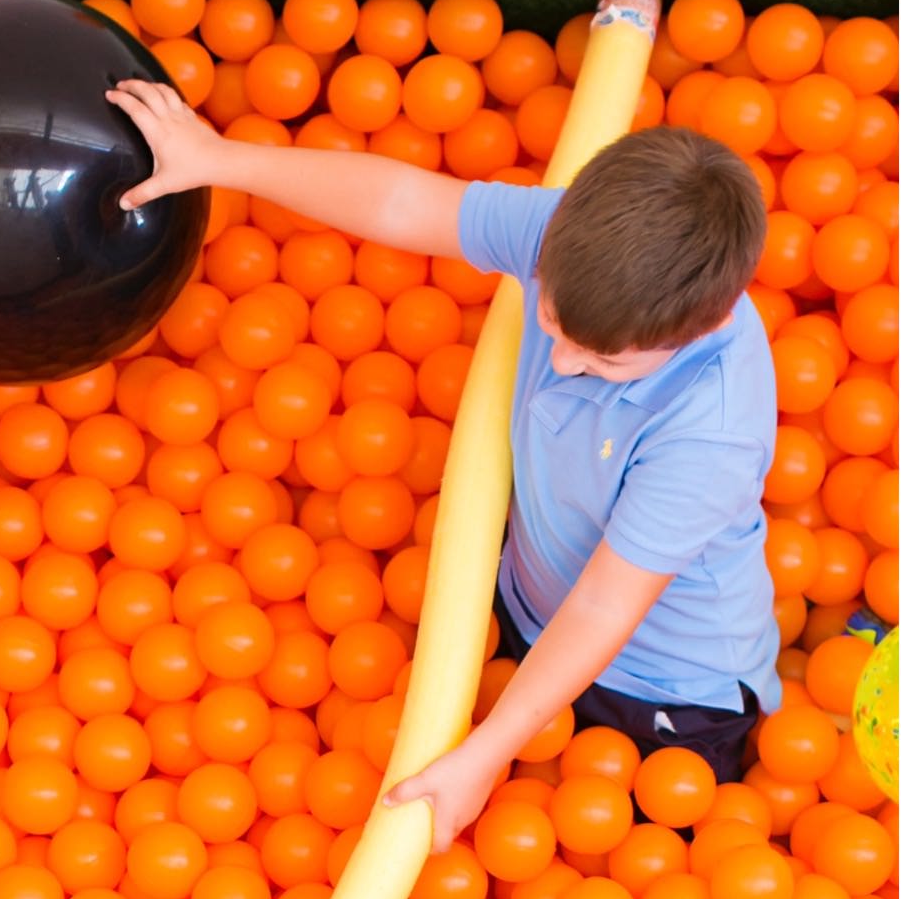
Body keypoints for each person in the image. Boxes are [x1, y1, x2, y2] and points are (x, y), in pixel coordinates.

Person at [105, 83, 777, 846]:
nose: (560, 362)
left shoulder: (709, 432)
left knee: (632, 844)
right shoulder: (574, 240)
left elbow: (602, 608)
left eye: (602, 361)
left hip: (663, 688)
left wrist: (483, 758)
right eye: (551, 319)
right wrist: (219, 159)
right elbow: (404, 202)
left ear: (705, 327)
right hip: (527, 605)